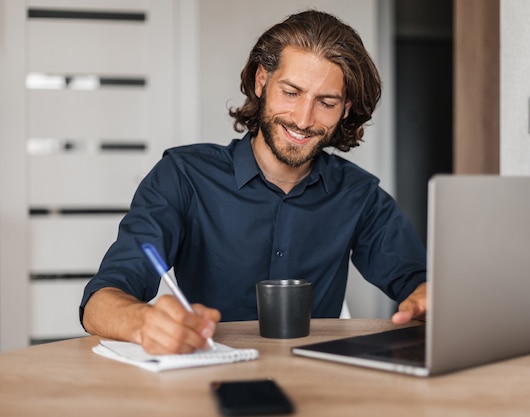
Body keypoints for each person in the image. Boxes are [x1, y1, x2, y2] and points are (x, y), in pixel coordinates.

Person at [80, 9, 427, 355]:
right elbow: (101, 303)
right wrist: (146, 322)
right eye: (291, 92)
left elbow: (419, 285)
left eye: (326, 102)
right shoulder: (183, 175)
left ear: (346, 108)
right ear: (262, 80)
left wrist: (427, 298)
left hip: (318, 387)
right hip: (204, 375)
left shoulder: (359, 194)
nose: (303, 120)